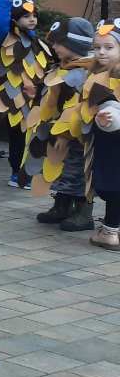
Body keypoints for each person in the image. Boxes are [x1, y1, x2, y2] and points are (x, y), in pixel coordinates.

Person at [29, 17, 96, 229]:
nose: (54, 47)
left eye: (59, 43)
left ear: (74, 45)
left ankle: (84, 213)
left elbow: (78, 108)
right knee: (61, 167)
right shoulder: (63, 68)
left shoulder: (85, 72)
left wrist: (66, 133)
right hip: (57, 131)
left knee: (78, 171)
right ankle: (62, 205)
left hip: (77, 136)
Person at [0, 0, 52, 190]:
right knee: (18, 136)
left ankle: (32, 170)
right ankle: (17, 173)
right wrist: (5, 0)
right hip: (14, 99)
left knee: (35, 136)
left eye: (34, 15)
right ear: (15, 19)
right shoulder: (5, 37)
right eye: (26, 16)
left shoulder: (36, 40)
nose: (32, 19)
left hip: (35, 98)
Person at [82, 21, 120, 250]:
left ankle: (110, 232)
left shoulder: (101, 80)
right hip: (108, 137)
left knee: (113, 183)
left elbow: (110, 110)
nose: (101, 52)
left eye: (108, 47)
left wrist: (110, 118)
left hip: (112, 142)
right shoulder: (97, 76)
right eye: (97, 48)